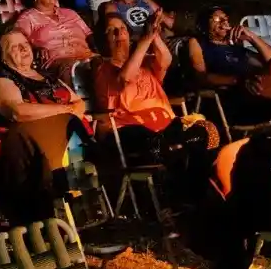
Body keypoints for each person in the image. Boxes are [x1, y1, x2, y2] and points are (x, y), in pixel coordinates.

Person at [93, 13, 218, 176]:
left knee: (209, 132)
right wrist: (146, 39)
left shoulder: (145, 62)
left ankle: (194, 183)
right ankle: (177, 182)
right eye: (112, 30)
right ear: (102, 40)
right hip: (131, 129)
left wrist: (153, 32)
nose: (119, 33)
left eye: (123, 28)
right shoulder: (102, 68)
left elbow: (165, 59)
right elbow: (126, 77)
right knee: (160, 146)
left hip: (167, 124)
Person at [0, 30, 92, 224]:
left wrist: (67, 110)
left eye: (25, 43)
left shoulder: (48, 77)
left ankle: (85, 209)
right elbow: (17, 111)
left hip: (68, 138)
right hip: (36, 142)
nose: (23, 48)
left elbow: (79, 104)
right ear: (3, 58)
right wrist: (63, 109)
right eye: (14, 46)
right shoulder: (4, 80)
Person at [186, 7, 271, 126]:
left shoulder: (235, 47)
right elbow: (201, 77)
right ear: (203, 25)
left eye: (226, 19)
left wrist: (252, 37)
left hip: (254, 97)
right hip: (227, 101)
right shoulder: (198, 43)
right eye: (217, 19)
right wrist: (239, 81)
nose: (224, 22)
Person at [13, 0, 97, 76]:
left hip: (87, 57)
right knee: (72, 69)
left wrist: (97, 49)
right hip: (58, 62)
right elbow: (16, 40)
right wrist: (35, 48)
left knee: (105, 65)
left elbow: (89, 34)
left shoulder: (70, 13)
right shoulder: (27, 18)